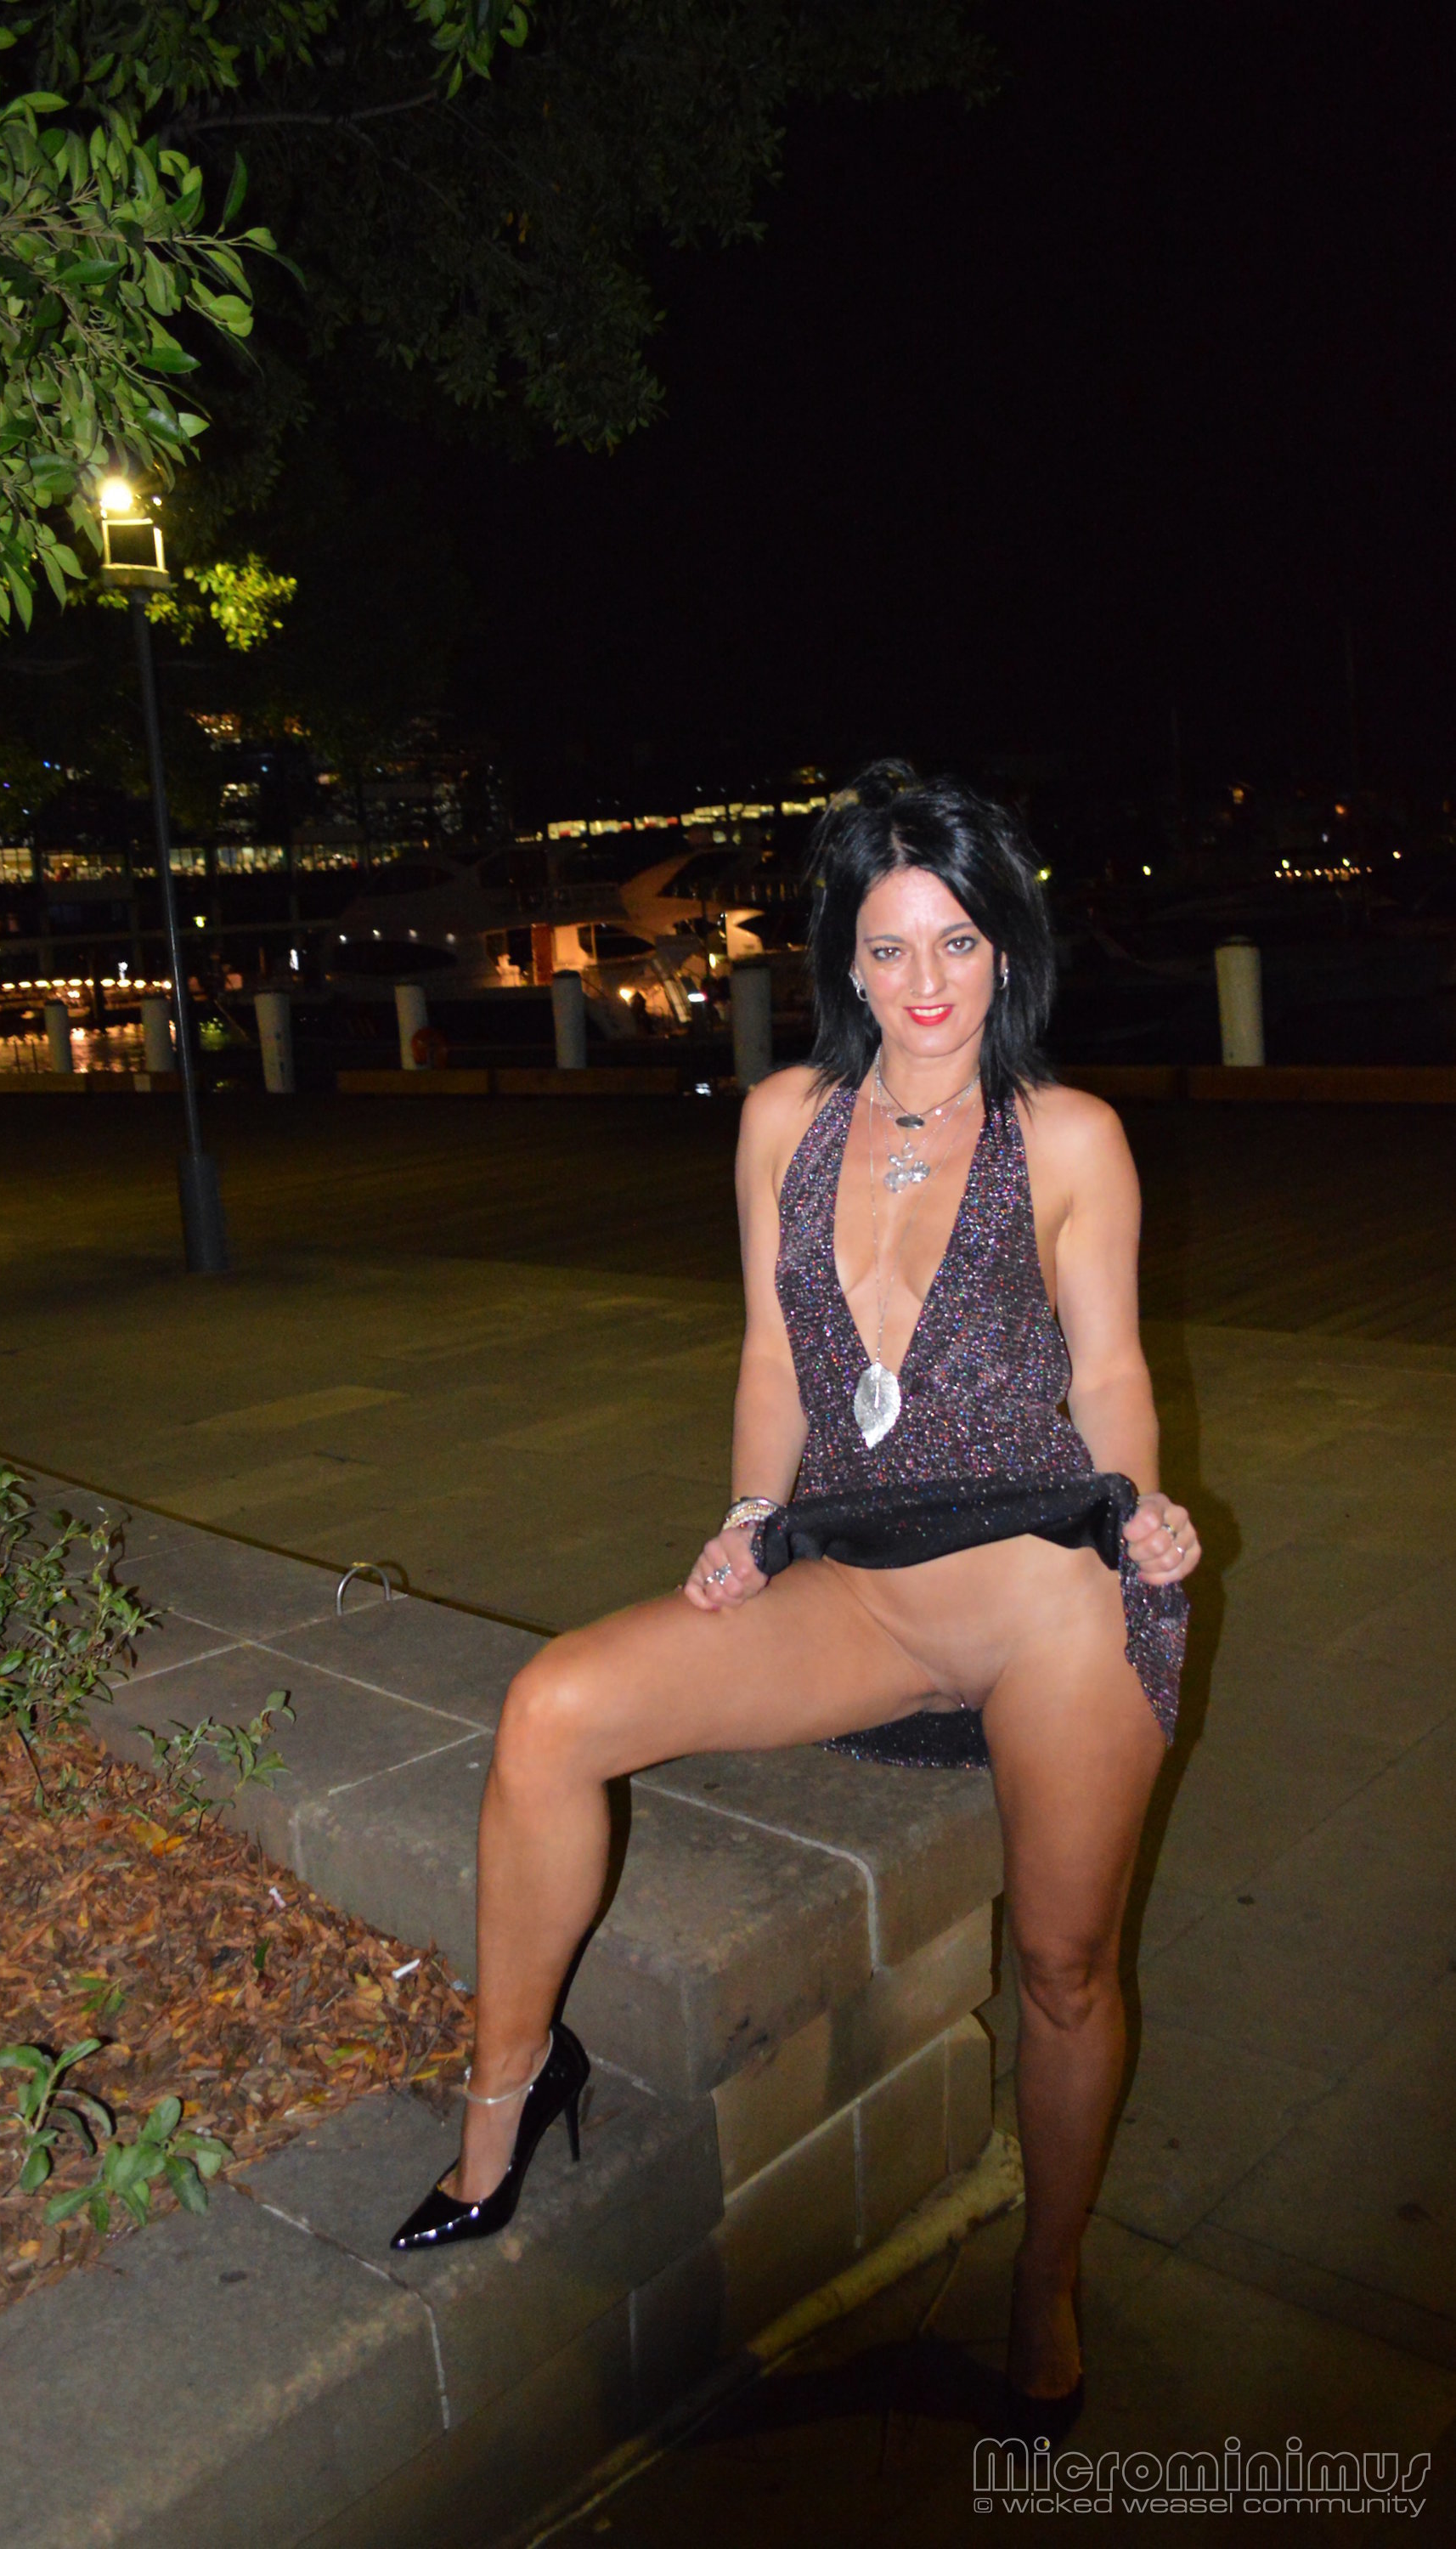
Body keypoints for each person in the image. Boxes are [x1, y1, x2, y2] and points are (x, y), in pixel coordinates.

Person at [392, 761, 1198, 2426]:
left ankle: (1045, 2275)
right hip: (857, 1583)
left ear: (1006, 948)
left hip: (1051, 1593)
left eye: (956, 944)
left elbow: (1110, 1368)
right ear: (842, 958)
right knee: (551, 1710)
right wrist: (751, 1515)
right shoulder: (781, 1121)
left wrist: (1137, 1508)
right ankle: (505, 2100)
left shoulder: (1067, 1136)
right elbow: (772, 1358)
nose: (925, 984)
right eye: (889, 948)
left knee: (1063, 1969)